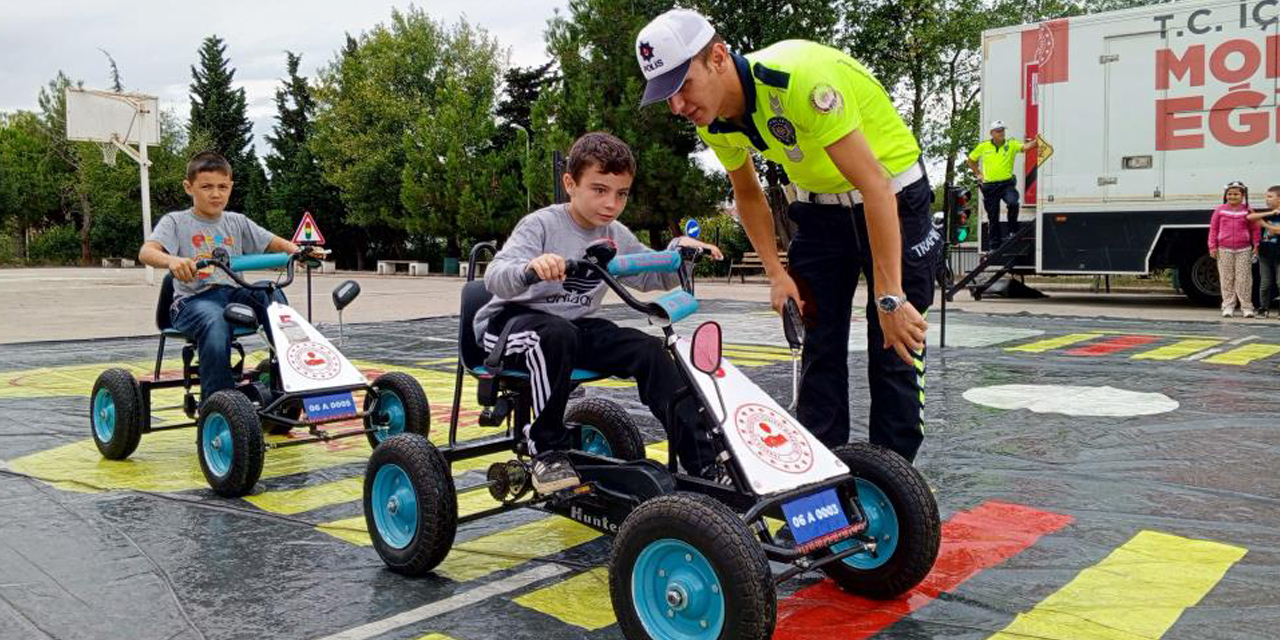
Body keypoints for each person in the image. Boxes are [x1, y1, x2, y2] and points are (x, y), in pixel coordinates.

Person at [634, 9, 932, 462]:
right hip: (819, 210)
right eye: (666, 95)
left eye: (682, 86)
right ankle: (823, 473)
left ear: (717, 57)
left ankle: (894, 483)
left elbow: (875, 186)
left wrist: (888, 297)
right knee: (819, 342)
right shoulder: (712, 120)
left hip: (894, 198)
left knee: (894, 344)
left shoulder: (799, 80)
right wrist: (775, 272)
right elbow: (748, 194)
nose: (677, 106)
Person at [476, 132, 724, 494]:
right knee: (556, 336)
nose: (611, 203)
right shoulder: (541, 225)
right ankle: (546, 449)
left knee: (650, 351)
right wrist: (531, 267)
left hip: (573, 328)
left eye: (621, 193)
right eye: (599, 189)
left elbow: (649, 273)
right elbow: (495, 277)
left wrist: (680, 252)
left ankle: (704, 462)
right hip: (509, 324)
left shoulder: (614, 232)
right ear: (570, 184)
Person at [138, 151, 303, 401]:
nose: (216, 194)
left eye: (222, 187)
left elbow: (272, 242)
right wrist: (172, 260)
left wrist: (299, 251)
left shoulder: (236, 221)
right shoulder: (176, 221)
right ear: (188, 187)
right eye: (206, 187)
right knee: (216, 319)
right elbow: (146, 252)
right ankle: (218, 403)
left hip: (234, 293)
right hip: (193, 301)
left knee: (271, 294)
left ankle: (293, 376)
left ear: (230, 187)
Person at [966, 120, 1039, 249]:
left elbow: (1026, 147)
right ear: (992, 133)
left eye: (1003, 130)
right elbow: (971, 160)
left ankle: (1013, 230)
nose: (1001, 133)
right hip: (990, 187)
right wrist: (978, 173)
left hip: (1007, 184)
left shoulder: (1011, 144)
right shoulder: (983, 147)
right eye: (998, 130)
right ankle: (994, 246)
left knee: (1013, 203)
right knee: (993, 217)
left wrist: (1036, 141)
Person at [1209, 181, 1259, 318]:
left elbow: (1255, 229)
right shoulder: (1220, 210)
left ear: (1242, 195)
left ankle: (1247, 307)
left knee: (1244, 279)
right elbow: (1213, 229)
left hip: (1243, 248)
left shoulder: (1247, 210)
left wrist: (1256, 244)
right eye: (1230, 194)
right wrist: (1212, 246)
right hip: (1224, 248)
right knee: (1226, 278)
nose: (1232, 196)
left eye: (1236, 194)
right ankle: (1228, 306)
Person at [1247, 185, 1280, 317]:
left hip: (1279, 253)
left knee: (1279, 282)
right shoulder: (1268, 213)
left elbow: (1276, 230)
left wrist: (1264, 224)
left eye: (1270, 196)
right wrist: (1270, 213)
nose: (1267, 199)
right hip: (1265, 253)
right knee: (1265, 282)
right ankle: (1263, 308)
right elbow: (1250, 217)